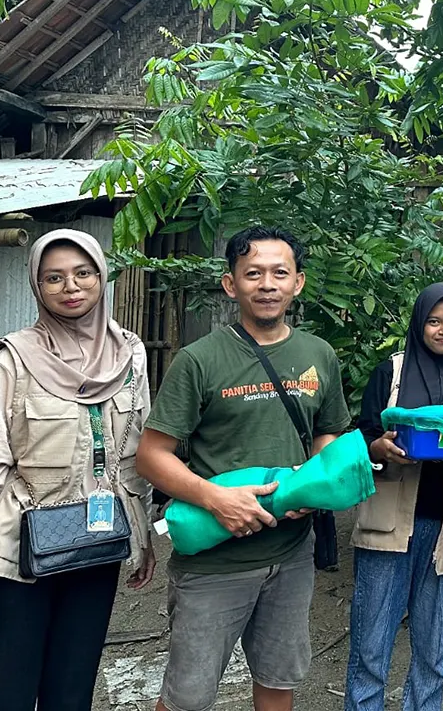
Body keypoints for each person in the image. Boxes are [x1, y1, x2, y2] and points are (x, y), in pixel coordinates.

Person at [135, 225, 352, 711]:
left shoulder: (319, 355)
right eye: (253, 273)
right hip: (215, 559)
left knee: (278, 681)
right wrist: (216, 498)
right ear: (231, 284)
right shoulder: (199, 360)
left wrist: (311, 487)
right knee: (187, 697)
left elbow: (328, 432)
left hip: (291, 554)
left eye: (280, 272)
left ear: (299, 282)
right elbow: (151, 455)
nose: (268, 284)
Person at [0, 230, 155, 711]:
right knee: (4, 696)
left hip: (96, 543)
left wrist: (142, 536)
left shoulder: (131, 355)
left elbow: (137, 455)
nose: (71, 286)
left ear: (101, 278)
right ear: (37, 287)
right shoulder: (14, 358)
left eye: (83, 273)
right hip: (17, 552)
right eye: (54, 277)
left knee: (71, 693)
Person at [347, 283, 443, 710]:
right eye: (433, 321)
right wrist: (379, 449)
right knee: (370, 643)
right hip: (388, 526)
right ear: (418, 324)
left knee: (433, 649)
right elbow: (362, 437)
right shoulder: (391, 372)